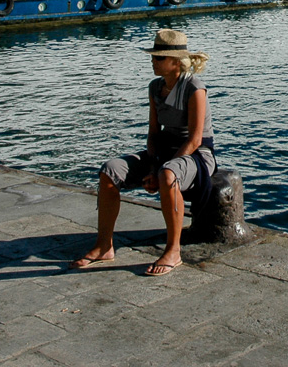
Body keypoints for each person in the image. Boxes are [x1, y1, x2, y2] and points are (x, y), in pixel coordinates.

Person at [69, 29, 215, 276]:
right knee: (110, 171)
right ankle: (104, 245)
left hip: (196, 155)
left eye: (158, 57)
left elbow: (195, 139)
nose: (152, 61)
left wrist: (159, 171)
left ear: (175, 62)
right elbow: (153, 134)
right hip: (164, 152)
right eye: (153, 56)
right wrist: (151, 166)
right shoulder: (155, 88)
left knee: (168, 175)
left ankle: (173, 250)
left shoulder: (194, 88)